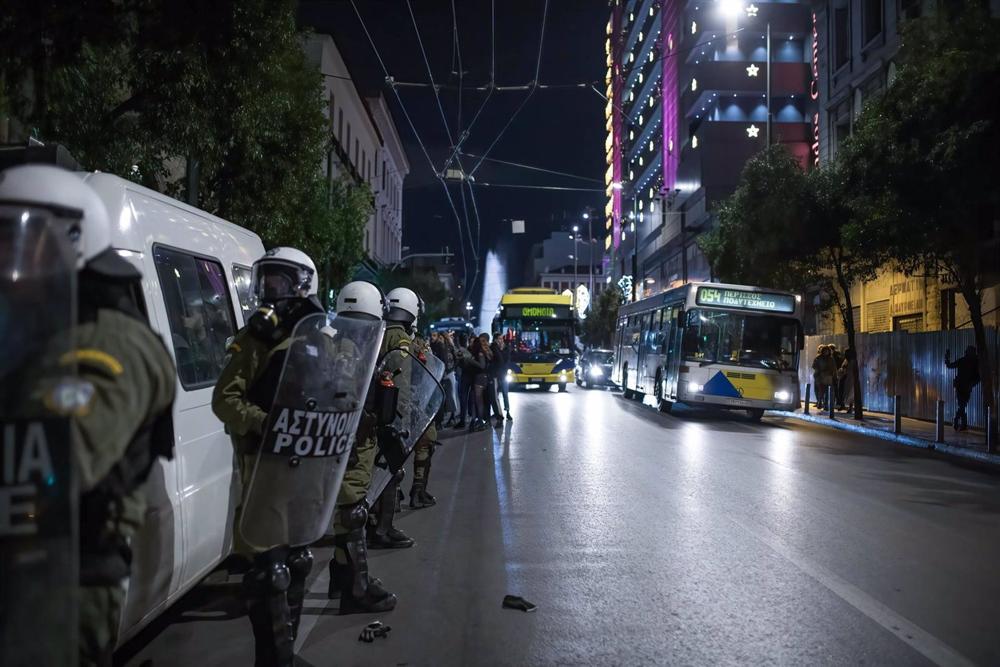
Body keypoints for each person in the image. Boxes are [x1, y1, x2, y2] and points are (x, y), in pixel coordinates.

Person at [0, 165, 178, 666]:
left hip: (64, 577)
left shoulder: (106, 341)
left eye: (18, 238)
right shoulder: (41, 326)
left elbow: (56, 461)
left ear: (71, 239)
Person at [212, 246, 329, 664]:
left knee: (297, 562)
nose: (270, 290)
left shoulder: (323, 338)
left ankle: (286, 653)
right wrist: (263, 421)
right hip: (265, 467)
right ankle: (271, 659)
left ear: (303, 284)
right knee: (269, 571)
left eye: (279, 281)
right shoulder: (256, 340)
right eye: (266, 280)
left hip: (307, 466)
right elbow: (225, 401)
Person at [946, 346, 981, 431]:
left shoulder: (965, 360)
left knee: (962, 405)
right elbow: (978, 377)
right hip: (965, 386)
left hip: (962, 386)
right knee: (962, 405)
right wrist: (972, 384)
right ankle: (961, 424)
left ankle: (958, 421)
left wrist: (947, 359)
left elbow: (950, 365)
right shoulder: (974, 361)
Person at [492, 333, 513, 420]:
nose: (501, 340)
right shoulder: (493, 347)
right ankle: (497, 412)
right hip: (496, 375)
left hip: (504, 374)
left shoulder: (507, 348)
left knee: (505, 393)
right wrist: (498, 349)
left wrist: (501, 349)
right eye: (499, 339)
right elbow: (499, 359)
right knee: (495, 395)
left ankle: (507, 411)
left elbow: (507, 361)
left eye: (502, 339)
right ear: (495, 340)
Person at [812, 344, 836, 409]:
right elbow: (814, 366)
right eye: (825, 351)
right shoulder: (818, 358)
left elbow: (833, 368)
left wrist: (833, 375)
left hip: (828, 377)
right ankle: (819, 401)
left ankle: (825, 404)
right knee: (820, 390)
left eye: (827, 351)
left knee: (827, 391)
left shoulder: (831, 359)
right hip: (820, 377)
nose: (826, 352)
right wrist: (819, 371)